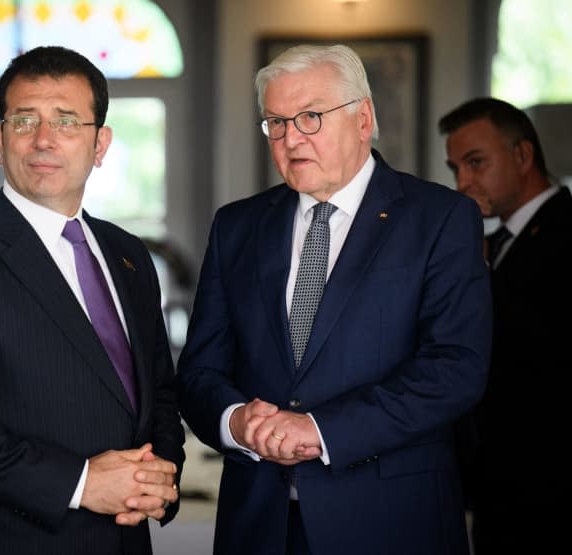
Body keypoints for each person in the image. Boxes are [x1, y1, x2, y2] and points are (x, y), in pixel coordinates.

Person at [176, 43, 492, 555]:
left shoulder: (441, 218)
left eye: (309, 117)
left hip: (391, 521)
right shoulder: (236, 226)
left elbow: (455, 368)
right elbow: (198, 372)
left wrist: (319, 430)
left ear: (362, 118)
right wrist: (235, 422)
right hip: (260, 522)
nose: (290, 138)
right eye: (275, 123)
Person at [0, 45, 185, 555]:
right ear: (0, 137)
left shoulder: (130, 256)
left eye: (67, 121)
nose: (44, 140)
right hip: (8, 540)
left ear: (101, 143)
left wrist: (157, 477)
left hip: (123, 539)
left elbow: (159, 390)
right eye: (24, 120)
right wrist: (80, 483)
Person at [439, 97, 572, 555]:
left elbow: (547, 345)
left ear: (522, 155)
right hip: (493, 485)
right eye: (456, 168)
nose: (463, 181)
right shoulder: (492, 243)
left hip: (550, 488)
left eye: (475, 162)